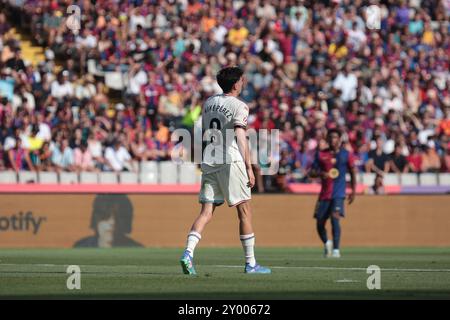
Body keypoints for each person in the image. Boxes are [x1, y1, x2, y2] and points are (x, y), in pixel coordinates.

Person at [180, 66, 271, 275]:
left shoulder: (209, 103)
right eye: (242, 79)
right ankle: (251, 264)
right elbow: (240, 136)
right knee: (244, 211)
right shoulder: (240, 106)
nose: (244, 82)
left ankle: (188, 253)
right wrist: (249, 167)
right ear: (236, 83)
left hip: (210, 161)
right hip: (231, 160)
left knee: (206, 212)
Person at [309, 129, 356, 258]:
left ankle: (336, 250)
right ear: (328, 139)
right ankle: (327, 243)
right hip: (324, 195)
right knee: (319, 223)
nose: (333, 140)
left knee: (335, 219)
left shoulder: (346, 154)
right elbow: (311, 172)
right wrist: (320, 174)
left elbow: (352, 172)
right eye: (330, 137)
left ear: (340, 139)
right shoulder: (321, 154)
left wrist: (353, 191)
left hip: (338, 194)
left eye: (335, 137)